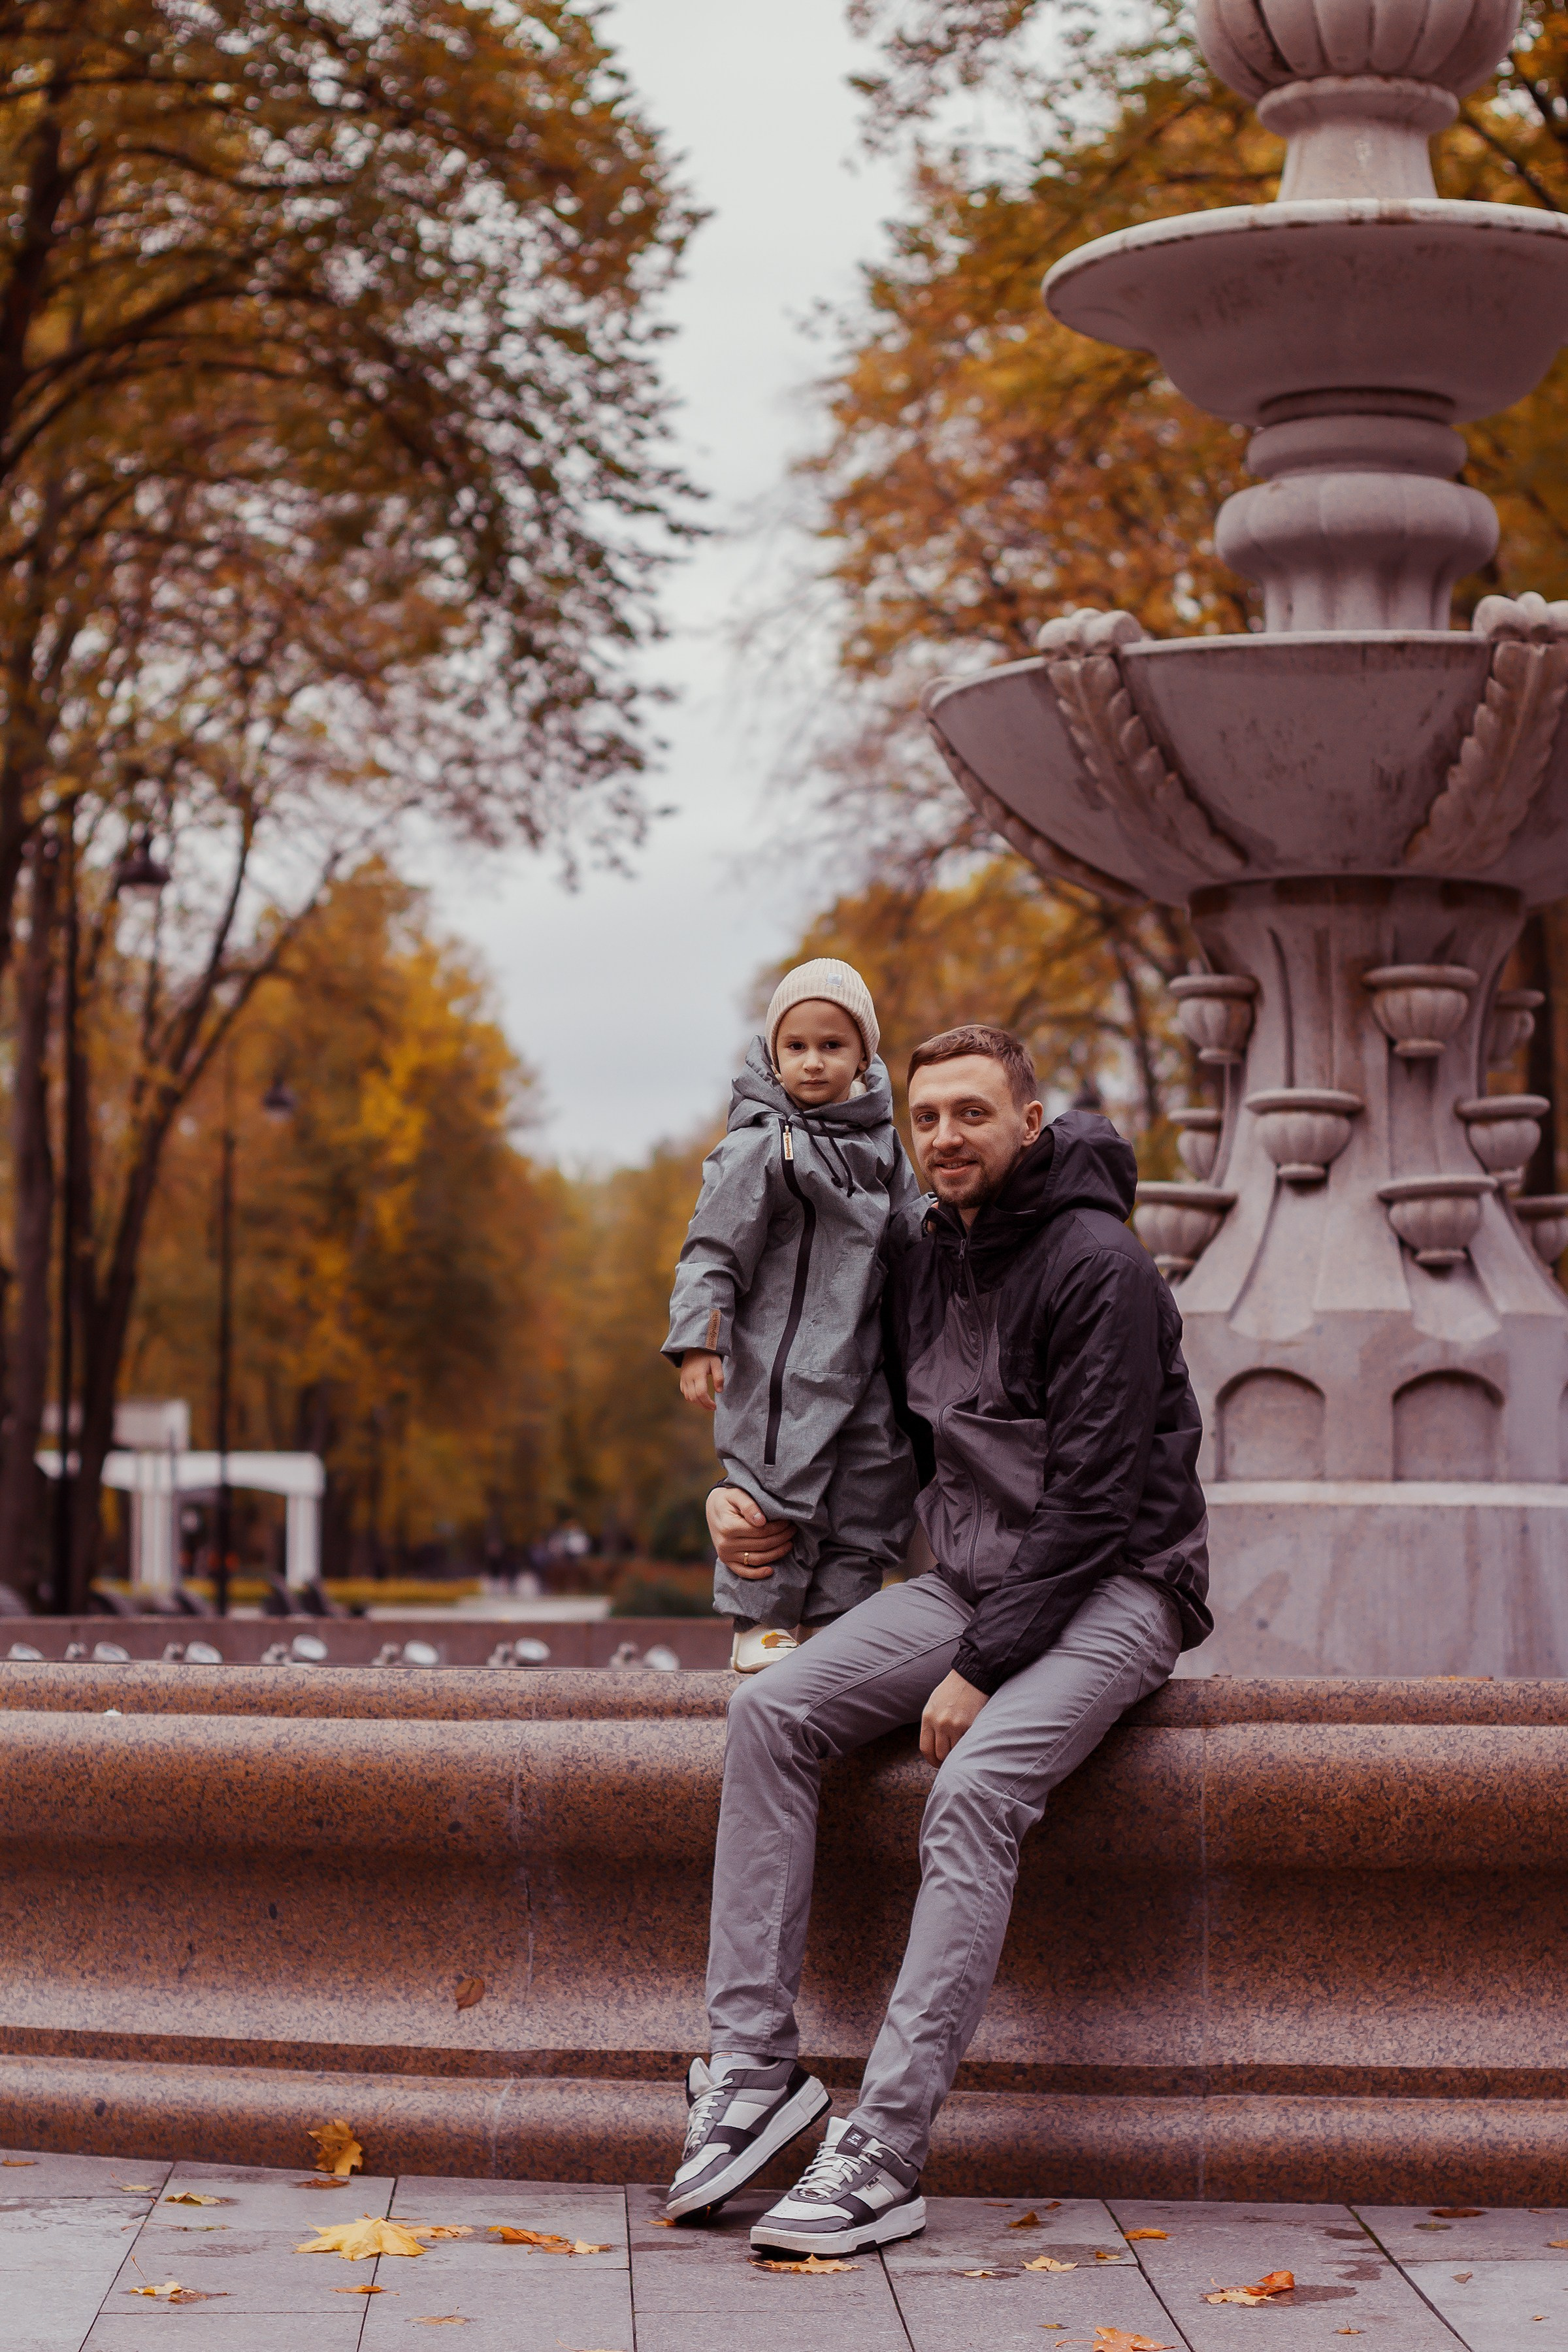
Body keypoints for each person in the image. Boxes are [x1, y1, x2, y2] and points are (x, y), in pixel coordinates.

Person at [665, 1024, 1210, 2253]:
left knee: (971, 1791)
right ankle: (751, 2070)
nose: (946, 1138)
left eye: (973, 1113)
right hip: (967, 1573)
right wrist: (740, 1497)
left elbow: (1098, 1499)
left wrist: (980, 1667)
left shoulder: (1101, 1267)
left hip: (1119, 1585)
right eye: (927, 1119)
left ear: (1030, 1123)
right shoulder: (922, 1255)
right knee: (771, 1712)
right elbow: (850, 1422)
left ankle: (888, 2146)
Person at [664, 958, 921, 1673]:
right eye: (797, 1046)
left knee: (872, 1484)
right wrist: (700, 1341)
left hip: (867, 1359)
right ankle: (760, 1620)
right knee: (775, 1484)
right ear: (774, 1056)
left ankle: (842, 1621)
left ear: (863, 1056)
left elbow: (912, 1232)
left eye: (832, 1046)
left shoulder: (884, 1146)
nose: (813, 1062)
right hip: (783, 1364)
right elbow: (712, 1248)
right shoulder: (760, 1145)